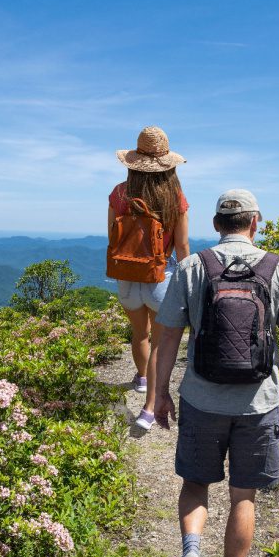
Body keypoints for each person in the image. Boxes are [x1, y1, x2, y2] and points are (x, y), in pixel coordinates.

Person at [151, 188, 279, 557]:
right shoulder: (277, 268)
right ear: (255, 222)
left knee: (195, 484)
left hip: (202, 399)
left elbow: (167, 335)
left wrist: (160, 394)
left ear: (215, 225)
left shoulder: (191, 267)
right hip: (258, 403)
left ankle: (191, 553)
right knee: (244, 496)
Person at [108, 126, 191, 430]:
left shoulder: (119, 193)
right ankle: (148, 408)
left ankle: (141, 379)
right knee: (160, 343)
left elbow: (112, 238)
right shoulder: (175, 197)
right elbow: (181, 246)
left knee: (138, 334)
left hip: (127, 277)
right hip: (161, 278)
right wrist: (187, 282)